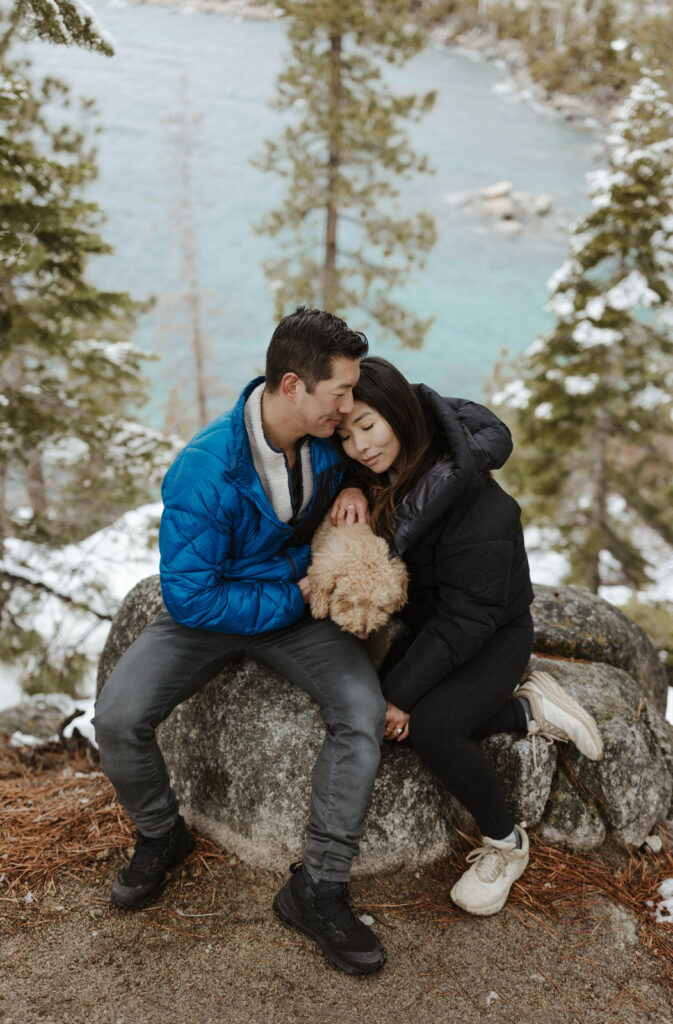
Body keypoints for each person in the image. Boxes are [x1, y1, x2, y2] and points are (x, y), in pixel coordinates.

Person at [94, 308, 388, 975]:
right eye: (338, 393)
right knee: (116, 716)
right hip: (213, 616)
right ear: (292, 385)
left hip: (298, 615)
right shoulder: (202, 469)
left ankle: (318, 886)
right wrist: (298, 595)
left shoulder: (328, 437)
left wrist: (361, 494)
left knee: (361, 713)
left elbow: (418, 435)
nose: (348, 408)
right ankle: (161, 835)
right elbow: (191, 596)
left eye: (351, 393)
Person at [334, 356, 603, 917]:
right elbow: (356, 472)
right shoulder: (398, 467)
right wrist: (351, 489)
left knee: (432, 727)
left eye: (367, 426)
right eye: (345, 435)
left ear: (401, 415)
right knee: (375, 713)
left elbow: (470, 618)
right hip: (440, 624)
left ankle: (507, 844)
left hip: (494, 632)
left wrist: (401, 694)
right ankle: (528, 711)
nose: (358, 446)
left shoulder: (475, 502)